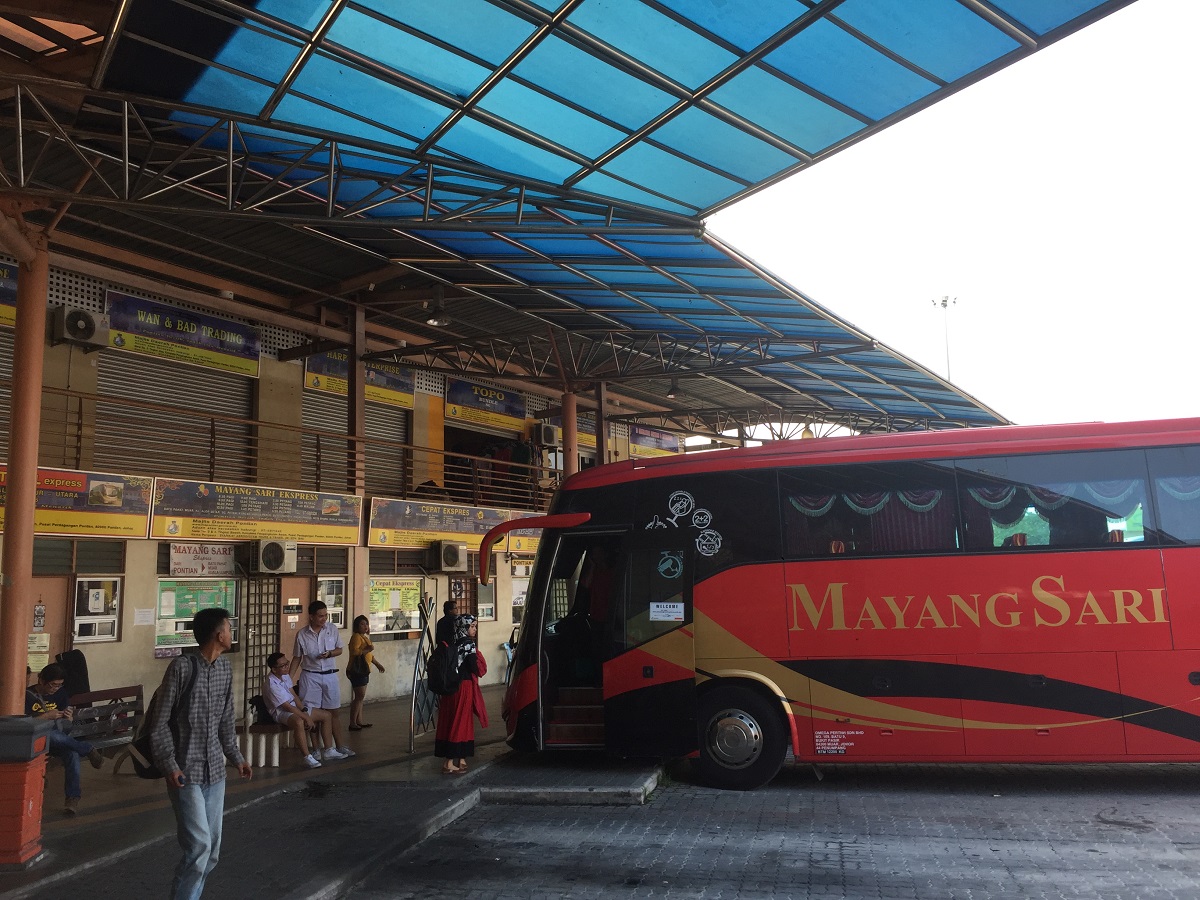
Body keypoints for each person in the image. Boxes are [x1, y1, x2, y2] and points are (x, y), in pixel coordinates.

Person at [149, 608, 252, 900]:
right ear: (218, 635)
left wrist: (236, 757)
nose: (232, 634)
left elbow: (226, 721)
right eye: (229, 629)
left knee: (212, 851)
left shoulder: (224, 669)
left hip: (216, 773)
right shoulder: (181, 668)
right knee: (198, 847)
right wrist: (169, 765)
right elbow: (159, 723)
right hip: (185, 773)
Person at [25, 663, 104, 816]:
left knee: (72, 753)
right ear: (41, 680)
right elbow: (25, 724)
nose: (55, 688)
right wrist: (46, 717)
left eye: (59, 685)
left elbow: (66, 724)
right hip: (36, 740)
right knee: (53, 735)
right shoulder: (28, 695)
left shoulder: (61, 694)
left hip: (58, 738)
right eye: (53, 685)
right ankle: (87, 749)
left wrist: (69, 718)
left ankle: (72, 798)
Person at [290, 600, 354, 761]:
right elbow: (297, 658)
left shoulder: (331, 629)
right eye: (320, 616)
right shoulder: (302, 634)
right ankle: (316, 748)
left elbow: (339, 649)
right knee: (313, 712)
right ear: (311, 617)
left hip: (330, 674)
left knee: (333, 712)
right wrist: (287, 678)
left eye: (325, 615)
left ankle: (338, 746)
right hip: (310, 675)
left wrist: (330, 654)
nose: (323, 619)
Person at [434, 614, 488, 774]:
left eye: (475, 626)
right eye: (472, 626)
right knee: (460, 721)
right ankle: (449, 762)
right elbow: (476, 669)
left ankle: (461, 759)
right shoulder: (468, 645)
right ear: (464, 627)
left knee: (452, 720)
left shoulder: (452, 643)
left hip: (451, 688)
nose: (474, 629)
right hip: (464, 687)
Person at [264, 652, 333, 768]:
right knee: (298, 722)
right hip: (280, 712)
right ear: (274, 669)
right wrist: (305, 717)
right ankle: (307, 756)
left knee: (326, 715)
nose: (287, 667)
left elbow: (294, 696)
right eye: (283, 665)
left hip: (294, 708)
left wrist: (304, 710)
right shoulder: (271, 684)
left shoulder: (285, 676)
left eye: (287, 663)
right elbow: (287, 707)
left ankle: (328, 750)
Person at [346, 615, 385, 730]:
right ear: (357, 626)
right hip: (356, 670)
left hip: (364, 670)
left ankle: (359, 721)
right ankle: (352, 722)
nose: (365, 626)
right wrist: (368, 649)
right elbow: (355, 652)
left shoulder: (364, 637)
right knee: (359, 696)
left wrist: (377, 664)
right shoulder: (356, 637)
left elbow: (369, 655)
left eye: (366, 624)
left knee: (360, 697)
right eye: (362, 624)